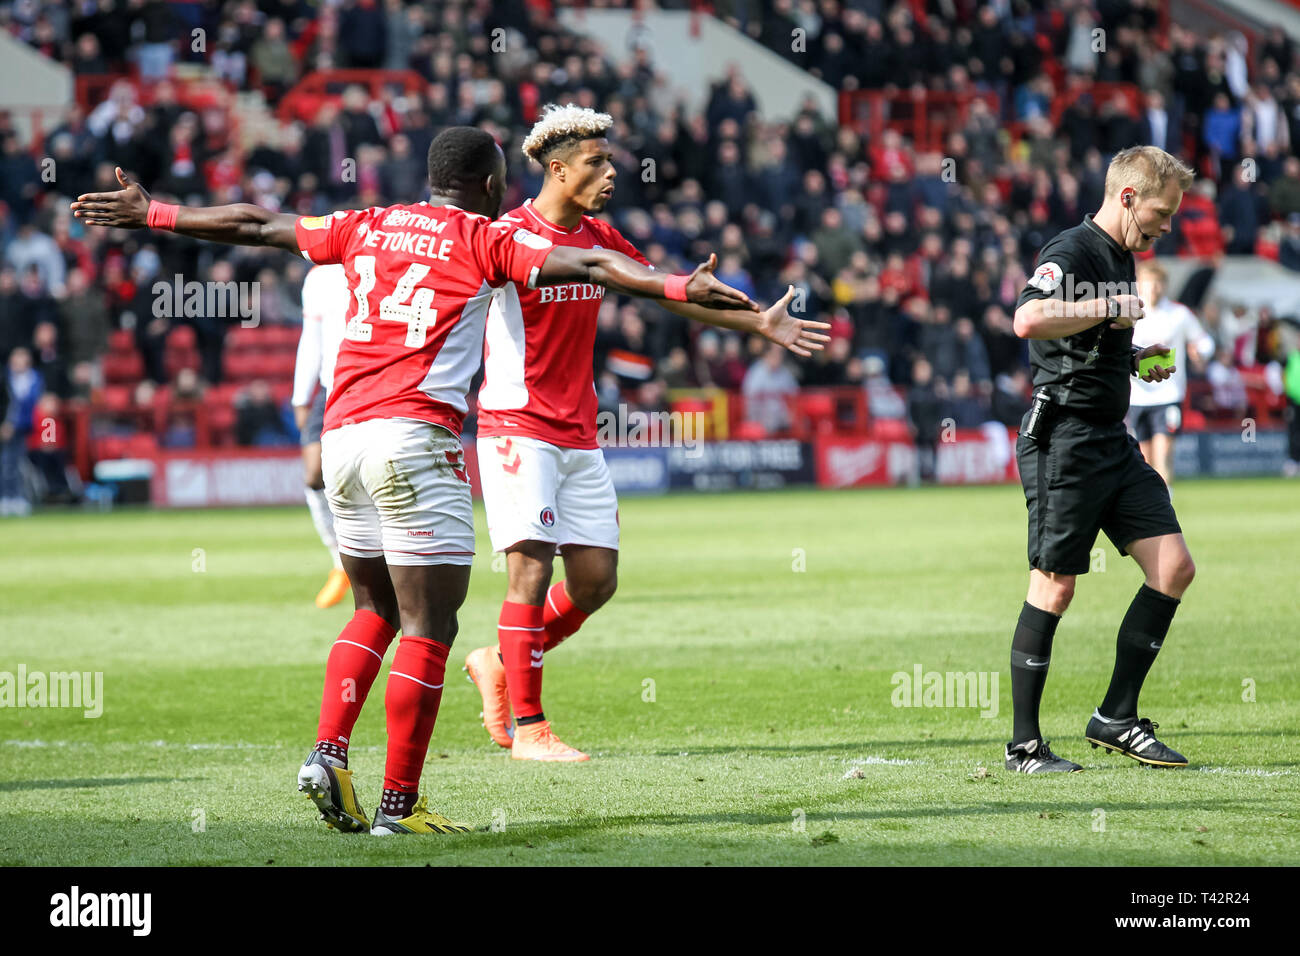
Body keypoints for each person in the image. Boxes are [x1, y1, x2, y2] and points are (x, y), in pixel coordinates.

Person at [72, 127, 757, 834]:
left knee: (373, 610)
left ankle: (329, 751)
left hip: (341, 440)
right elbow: (598, 266)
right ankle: (400, 807)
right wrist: (678, 284)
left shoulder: (366, 224)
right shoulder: (485, 240)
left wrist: (154, 213)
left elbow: (257, 223)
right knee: (430, 626)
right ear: (492, 188)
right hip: (414, 440)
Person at [461, 105, 828, 762]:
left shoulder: (602, 235)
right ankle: (531, 730)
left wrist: (755, 324)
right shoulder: (511, 235)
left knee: (597, 580)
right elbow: (622, 276)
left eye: (610, 160)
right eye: (596, 162)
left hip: (577, 432)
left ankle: (496, 658)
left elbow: (663, 294)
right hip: (518, 426)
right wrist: (677, 282)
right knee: (531, 572)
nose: (610, 173)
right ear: (556, 168)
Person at [1007, 145, 1197, 773]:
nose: (1166, 226)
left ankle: (1116, 716)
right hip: (1062, 439)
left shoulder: (1122, 255)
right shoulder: (1074, 251)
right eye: (1161, 214)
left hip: (1111, 441)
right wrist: (1108, 308)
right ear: (1127, 197)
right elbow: (1028, 319)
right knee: (1055, 586)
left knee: (1172, 567)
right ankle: (1025, 747)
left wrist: (1134, 357)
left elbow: (1092, 341)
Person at [292, 263, 351, 608]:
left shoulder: (384, 260)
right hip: (330, 388)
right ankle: (339, 561)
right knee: (314, 473)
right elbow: (310, 339)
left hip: (370, 385)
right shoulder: (319, 277)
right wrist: (301, 396)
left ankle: (376, 561)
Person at [1127, 260, 1215, 486]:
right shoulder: (1130, 316)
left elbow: (1205, 342)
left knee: (1163, 455)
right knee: (1143, 460)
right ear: (1139, 285)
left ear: (1164, 285)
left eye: (1157, 283)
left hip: (1168, 395)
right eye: (1148, 283)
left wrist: (1200, 352)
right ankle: (1150, 511)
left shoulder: (1179, 314)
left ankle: (1165, 509)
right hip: (1137, 396)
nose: (1153, 288)